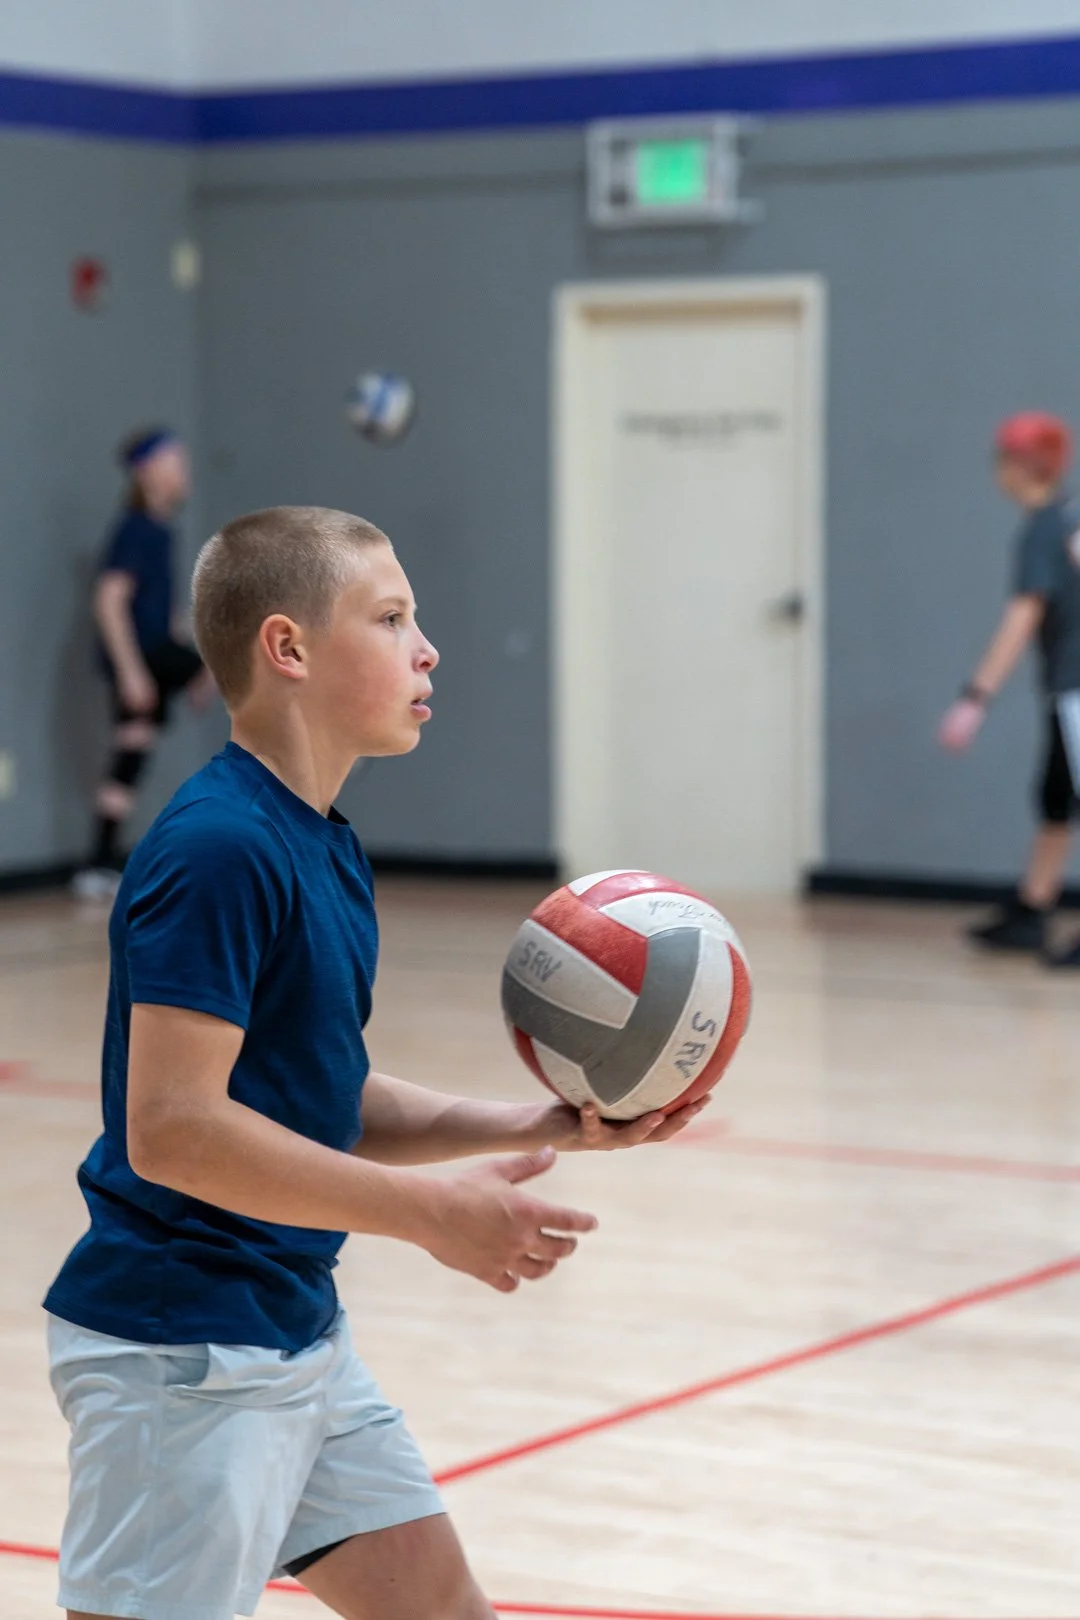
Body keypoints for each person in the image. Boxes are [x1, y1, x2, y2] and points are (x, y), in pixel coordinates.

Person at [43, 505, 710, 1620]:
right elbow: (173, 1129)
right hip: (185, 1355)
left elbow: (322, 1094)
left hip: (292, 1324)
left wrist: (543, 1123)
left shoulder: (319, 839)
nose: (427, 646)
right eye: (391, 617)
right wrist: (425, 1213)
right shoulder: (218, 848)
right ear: (288, 649)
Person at [939, 411, 1080, 965]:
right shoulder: (1067, 519)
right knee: (1055, 795)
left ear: (1021, 466)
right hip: (1064, 686)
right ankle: (1034, 905)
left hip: (1076, 685)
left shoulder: (1046, 527)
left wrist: (975, 698)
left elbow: (1024, 615)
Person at [73, 427, 213, 901]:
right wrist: (133, 672)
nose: (184, 471)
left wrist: (192, 663)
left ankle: (99, 862)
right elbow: (110, 601)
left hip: (157, 650)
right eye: (175, 461)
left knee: (132, 750)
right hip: (141, 656)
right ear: (148, 472)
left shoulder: (162, 528)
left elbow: (166, 611)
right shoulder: (135, 528)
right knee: (238, 669)